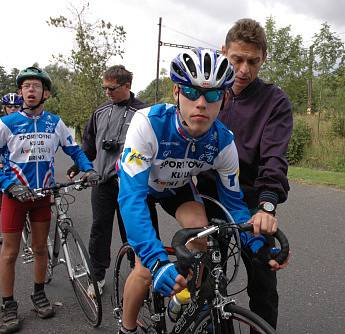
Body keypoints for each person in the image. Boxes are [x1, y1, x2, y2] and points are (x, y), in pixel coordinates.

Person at [116, 47, 282, 334]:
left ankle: (182, 295)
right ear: (176, 93)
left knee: (201, 234)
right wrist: (157, 261)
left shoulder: (223, 142)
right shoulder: (148, 124)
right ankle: (127, 328)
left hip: (176, 188)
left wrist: (256, 245)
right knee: (144, 269)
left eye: (214, 94)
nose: (202, 103)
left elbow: (234, 204)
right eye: (192, 93)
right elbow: (131, 199)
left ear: (225, 98)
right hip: (140, 189)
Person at [197, 18, 293, 330]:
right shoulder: (209, 93)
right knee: (210, 281)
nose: (244, 70)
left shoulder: (274, 101)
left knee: (263, 281)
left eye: (253, 61)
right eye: (237, 59)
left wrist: (267, 206)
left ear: (263, 58)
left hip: (253, 199)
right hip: (210, 196)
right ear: (223, 52)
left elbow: (274, 158)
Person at [0, 66, 99, 334]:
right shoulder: (6, 124)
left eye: (36, 86)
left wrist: (88, 168)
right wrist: (10, 184)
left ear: (46, 93)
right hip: (15, 198)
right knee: (10, 253)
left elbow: (74, 150)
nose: (30, 90)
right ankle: (8, 305)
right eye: (26, 86)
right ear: (20, 92)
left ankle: (39, 293)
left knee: (41, 248)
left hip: (43, 196)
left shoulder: (55, 123)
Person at [67, 65, 157, 296]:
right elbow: (88, 144)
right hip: (103, 182)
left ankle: (140, 276)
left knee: (134, 231)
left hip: (132, 185)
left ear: (127, 86)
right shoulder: (100, 111)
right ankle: (96, 278)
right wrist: (78, 165)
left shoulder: (145, 113)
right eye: (104, 87)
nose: (107, 92)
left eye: (112, 88)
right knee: (99, 230)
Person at [0, 94, 23, 245]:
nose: (13, 109)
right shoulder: (3, 124)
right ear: (5, 108)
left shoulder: (24, 123)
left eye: (16, 106)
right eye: (10, 107)